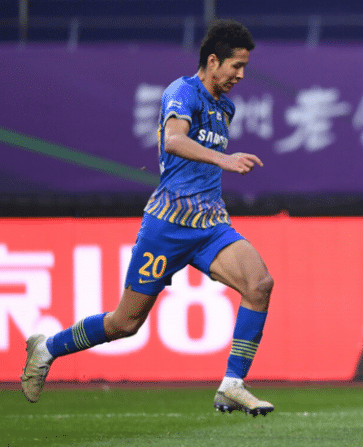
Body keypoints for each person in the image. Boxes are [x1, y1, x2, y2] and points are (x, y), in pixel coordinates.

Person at [21, 19, 275, 417]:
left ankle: (232, 384)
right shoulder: (182, 92)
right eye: (236, 66)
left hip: (210, 225)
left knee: (259, 284)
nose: (241, 75)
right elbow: (173, 141)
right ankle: (47, 348)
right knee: (124, 323)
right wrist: (224, 159)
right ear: (212, 61)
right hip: (167, 226)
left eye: (244, 67)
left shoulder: (226, 107)